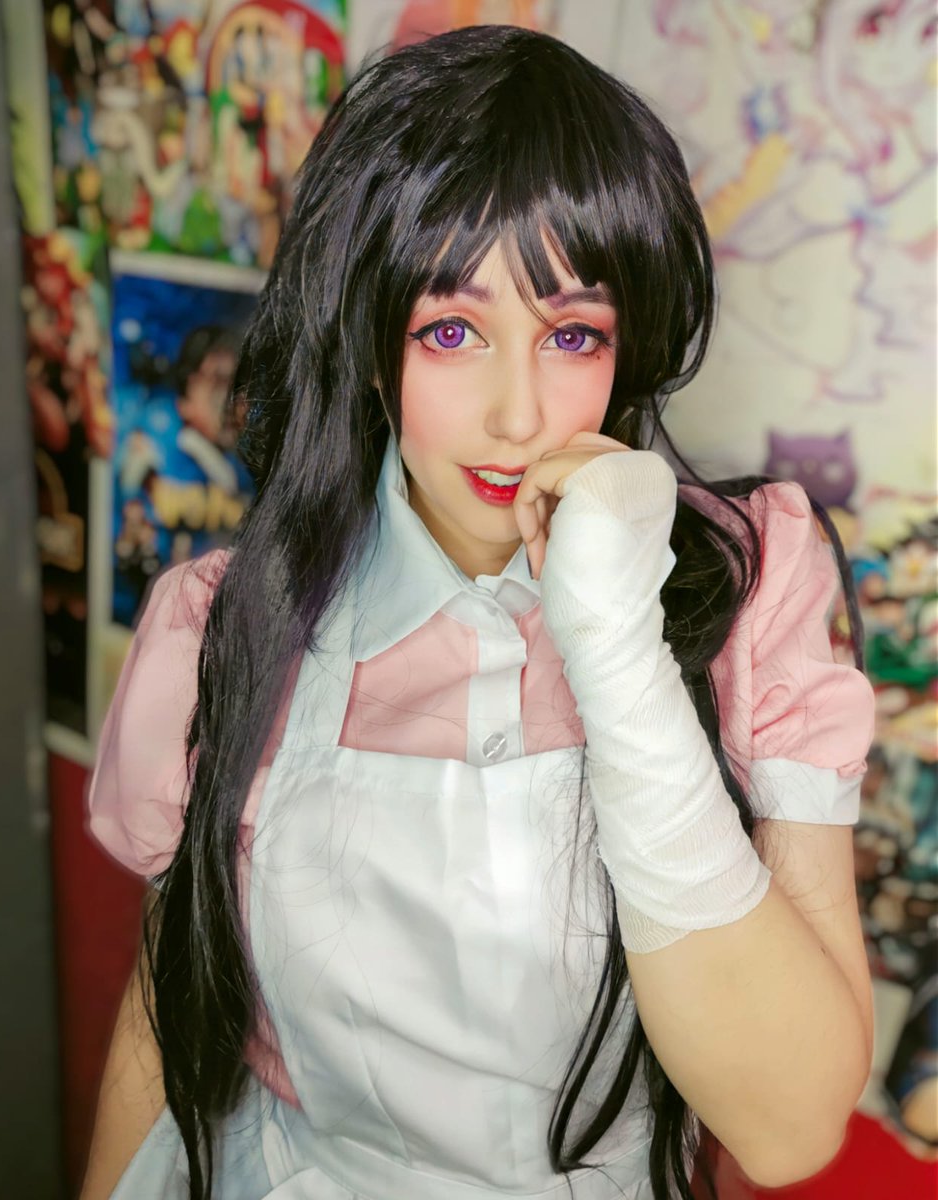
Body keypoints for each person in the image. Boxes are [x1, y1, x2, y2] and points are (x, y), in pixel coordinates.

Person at [81, 25, 876, 1200]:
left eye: (573, 334)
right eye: (450, 331)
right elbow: (167, 1012)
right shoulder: (223, 626)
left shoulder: (748, 588)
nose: (518, 415)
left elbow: (789, 1127)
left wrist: (615, 642)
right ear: (369, 339)